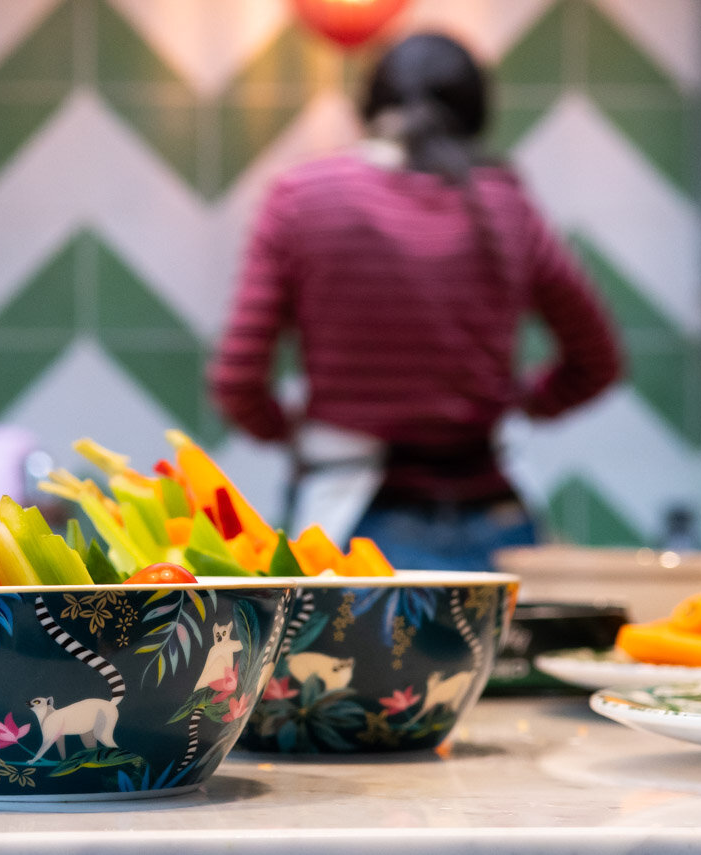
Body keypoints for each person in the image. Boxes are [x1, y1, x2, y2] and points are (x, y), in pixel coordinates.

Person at [208, 33, 622, 572]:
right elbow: (596, 361)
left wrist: (298, 429)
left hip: (350, 529)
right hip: (496, 525)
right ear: (475, 116)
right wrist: (518, 401)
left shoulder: (301, 197)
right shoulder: (503, 202)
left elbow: (238, 380)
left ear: (369, 107)